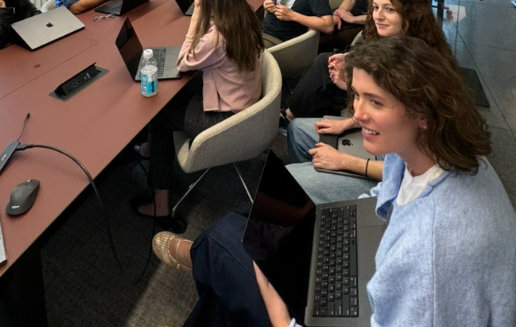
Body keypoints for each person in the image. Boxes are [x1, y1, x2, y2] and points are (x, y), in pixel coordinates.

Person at [152, 36, 516, 327]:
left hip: (380, 291)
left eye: (375, 101)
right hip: (376, 254)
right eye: (356, 96)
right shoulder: (439, 150)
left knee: (226, 238)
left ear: (423, 111)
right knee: (264, 226)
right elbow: (388, 197)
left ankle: (200, 256)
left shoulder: (431, 254)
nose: (357, 113)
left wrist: (283, 318)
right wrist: (328, 230)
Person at [131, 0, 263, 231]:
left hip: (224, 119)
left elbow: (182, 61)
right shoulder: (244, 15)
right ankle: (149, 149)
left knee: (159, 114)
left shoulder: (216, 37)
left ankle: (160, 202)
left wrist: (195, 17)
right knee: (179, 94)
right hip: (245, 106)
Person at [285, 0, 458, 127]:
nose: (378, 16)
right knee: (326, 63)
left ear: (412, 13)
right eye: (375, 7)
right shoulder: (398, 38)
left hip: (389, 128)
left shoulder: (417, 57)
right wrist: (351, 59)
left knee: (323, 72)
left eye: (389, 9)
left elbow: (393, 107)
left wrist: (351, 85)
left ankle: (292, 115)